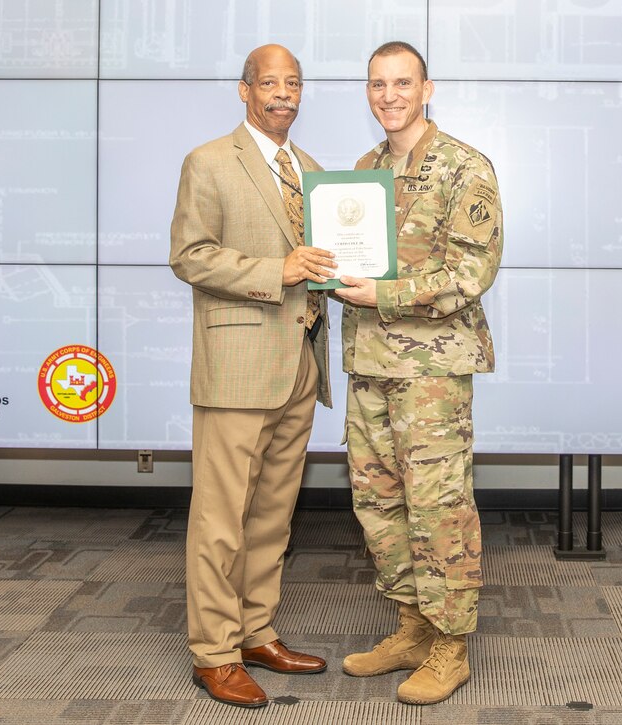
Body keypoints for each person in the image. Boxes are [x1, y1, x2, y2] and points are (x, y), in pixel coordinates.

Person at [334, 40, 503, 705]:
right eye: (378, 84)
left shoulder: (464, 168)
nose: (389, 95)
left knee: (439, 507)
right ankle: (411, 624)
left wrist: (383, 293)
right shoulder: (365, 168)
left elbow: (468, 274)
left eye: (402, 83)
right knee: (378, 504)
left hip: (430, 372)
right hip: (371, 362)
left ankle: (451, 644)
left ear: (426, 88)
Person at [169, 43, 337, 709]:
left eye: (292, 83)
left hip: (300, 364)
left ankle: (254, 628)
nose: (282, 94)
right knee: (220, 516)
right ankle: (213, 651)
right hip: (237, 367)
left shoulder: (314, 171)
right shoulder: (209, 161)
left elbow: (327, 260)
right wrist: (279, 272)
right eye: (269, 82)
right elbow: (190, 254)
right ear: (245, 90)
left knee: (272, 513)